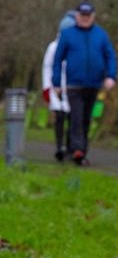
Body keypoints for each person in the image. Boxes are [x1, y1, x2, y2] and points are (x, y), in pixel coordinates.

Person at [52, 2, 118, 167]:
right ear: (77, 16)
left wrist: (111, 76)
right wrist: (56, 82)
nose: (85, 19)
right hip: (74, 84)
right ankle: (77, 151)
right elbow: (58, 59)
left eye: (88, 16)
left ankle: (82, 151)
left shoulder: (101, 35)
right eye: (82, 16)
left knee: (86, 119)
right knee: (76, 117)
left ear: (93, 17)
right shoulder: (67, 35)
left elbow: (110, 56)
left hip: (94, 84)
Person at [41, 11, 76, 161]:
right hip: (56, 87)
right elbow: (47, 67)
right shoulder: (53, 47)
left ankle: (69, 147)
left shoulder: (75, 48)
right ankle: (59, 147)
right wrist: (47, 88)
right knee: (60, 118)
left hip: (72, 88)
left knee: (72, 118)